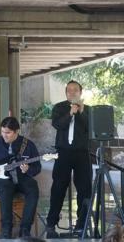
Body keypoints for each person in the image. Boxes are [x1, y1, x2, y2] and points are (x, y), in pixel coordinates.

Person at [0, 117, 41, 238]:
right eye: (3, 132)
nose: (4, 135)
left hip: (22, 178)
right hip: (2, 179)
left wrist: (28, 169)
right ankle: (6, 228)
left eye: (8, 133)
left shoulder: (28, 145)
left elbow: (37, 167)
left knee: (33, 187)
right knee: (4, 188)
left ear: (16, 132)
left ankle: (25, 229)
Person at [46, 80, 91, 238]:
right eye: (69, 90)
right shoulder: (59, 107)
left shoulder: (88, 110)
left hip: (82, 154)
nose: (72, 93)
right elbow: (58, 125)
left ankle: (82, 224)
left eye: (75, 90)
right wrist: (71, 112)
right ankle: (51, 223)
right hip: (63, 152)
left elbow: (89, 128)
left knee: (84, 189)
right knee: (58, 188)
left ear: (80, 92)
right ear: (66, 93)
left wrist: (80, 112)